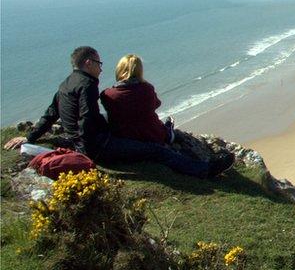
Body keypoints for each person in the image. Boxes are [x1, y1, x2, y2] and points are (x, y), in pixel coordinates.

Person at [4, 46, 234, 178]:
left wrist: (30, 137)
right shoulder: (87, 85)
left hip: (88, 142)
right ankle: (204, 170)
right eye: (98, 62)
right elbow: (87, 117)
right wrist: (87, 150)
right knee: (157, 151)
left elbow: (50, 113)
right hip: (98, 146)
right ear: (88, 63)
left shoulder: (66, 83)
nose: (101, 67)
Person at [100, 54, 172, 144]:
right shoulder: (147, 88)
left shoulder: (107, 94)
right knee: (161, 127)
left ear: (119, 70)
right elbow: (157, 104)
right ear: (139, 71)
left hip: (125, 138)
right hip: (152, 135)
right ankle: (169, 132)